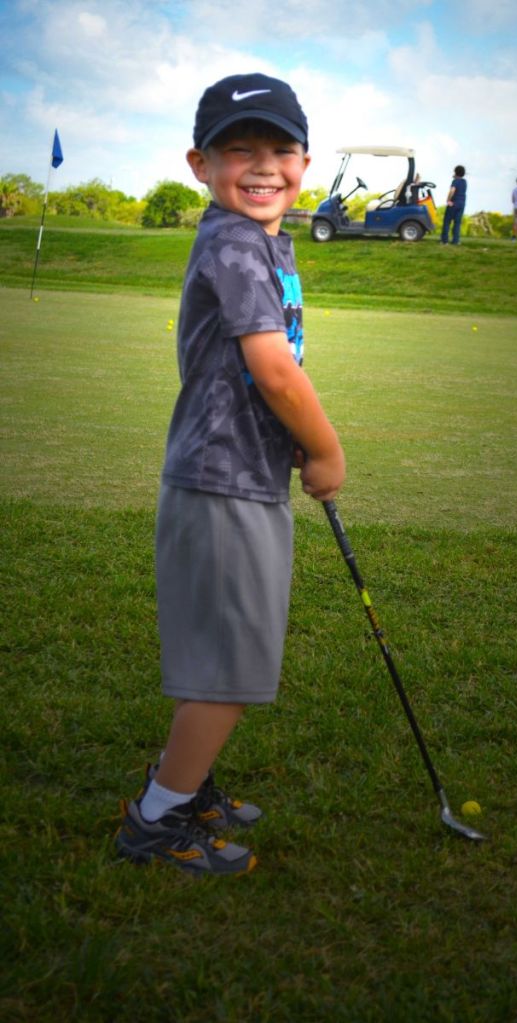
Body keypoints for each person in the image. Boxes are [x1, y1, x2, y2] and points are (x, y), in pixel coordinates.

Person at [115, 72, 345, 876]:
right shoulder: (236, 242)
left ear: (305, 163)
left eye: (279, 149)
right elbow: (274, 371)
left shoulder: (261, 239)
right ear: (199, 164)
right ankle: (157, 819)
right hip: (224, 480)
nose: (262, 166)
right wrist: (324, 449)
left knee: (219, 653)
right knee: (230, 667)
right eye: (237, 149)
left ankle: (185, 781)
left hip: (232, 473)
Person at [440, 165, 467, 245]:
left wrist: (448, 200)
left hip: (453, 204)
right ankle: (456, 241)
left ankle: (444, 241)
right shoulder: (464, 181)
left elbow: (452, 190)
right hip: (461, 204)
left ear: (455, 172)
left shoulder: (455, 181)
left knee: (447, 222)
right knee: (457, 223)